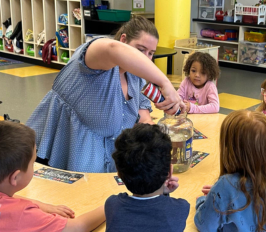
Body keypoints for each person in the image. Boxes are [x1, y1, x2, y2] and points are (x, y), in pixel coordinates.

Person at [27, 16, 182, 173]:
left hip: (108, 164)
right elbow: (113, 49)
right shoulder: (95, 61)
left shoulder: (136, 78)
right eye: (140, 50)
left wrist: (155, 144)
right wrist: (165, 83)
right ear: (123, 40)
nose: (145, 58)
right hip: (63, 160)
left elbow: (143, 119)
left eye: (150, 53)